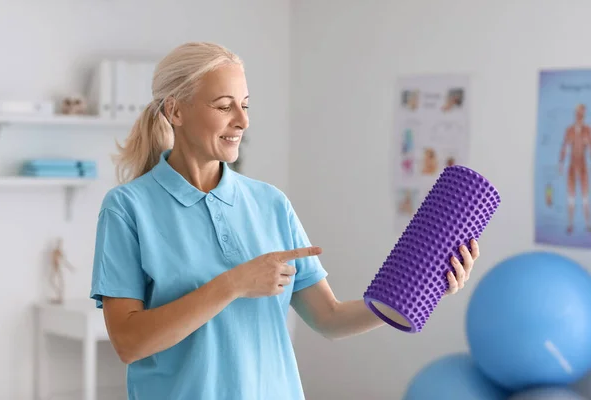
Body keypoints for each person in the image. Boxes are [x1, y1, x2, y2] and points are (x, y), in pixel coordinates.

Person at [89, 42, 480, 400]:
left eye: (246, 105)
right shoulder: (127, 208)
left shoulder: (270, 203)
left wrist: (425, 289)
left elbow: (329, 318)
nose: (242, 121)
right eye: (224, 106)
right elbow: (129, 342)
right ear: (175, 110)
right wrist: (233, 284)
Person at [559, 103, 591, 233]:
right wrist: (561, 163)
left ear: (584, 116)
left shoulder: (588, 130)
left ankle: (588, 224)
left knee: (584, 196)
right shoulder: (569, 130)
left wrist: (587, 143)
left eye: (582, 114)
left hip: (582, 165)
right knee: (571, 196)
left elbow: (590, 149)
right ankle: (570, 224)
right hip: (572, 165)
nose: (579, 116)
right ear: (575, 115)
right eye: (578, 114)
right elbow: (565, 147)